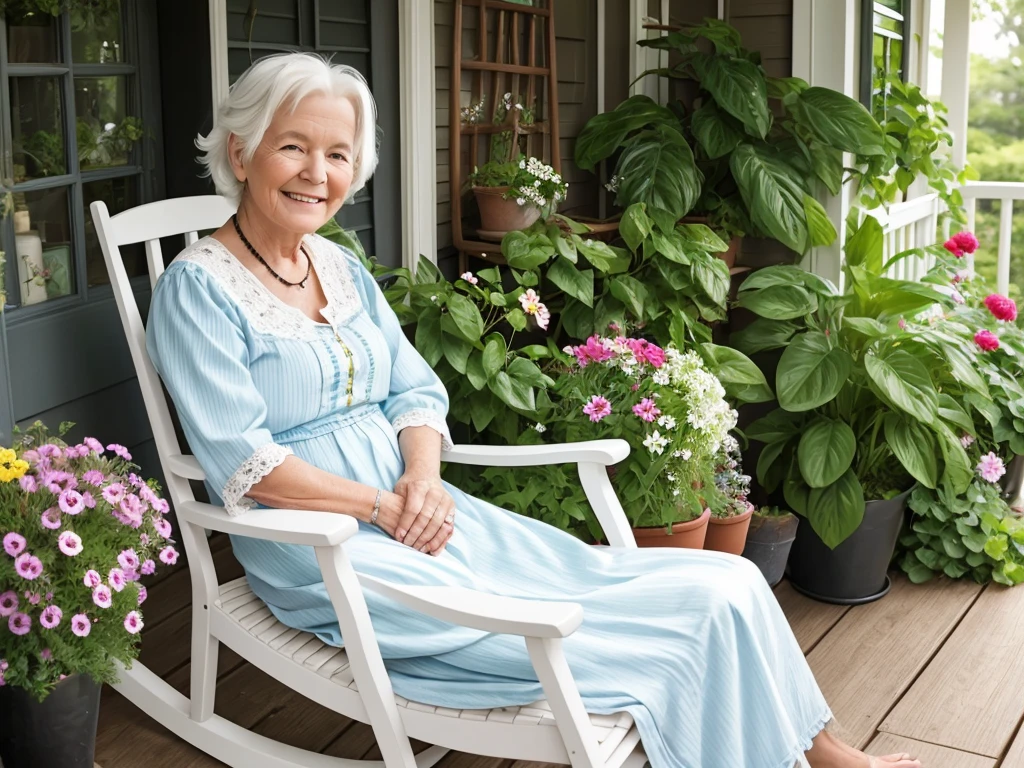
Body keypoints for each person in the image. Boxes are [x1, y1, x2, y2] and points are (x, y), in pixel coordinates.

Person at [146, 52, 921, 768]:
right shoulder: (198, 290)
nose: (318, 172)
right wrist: (385, 506)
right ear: (242, 153)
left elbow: (413, 390)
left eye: (338, 154)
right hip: (322, 545)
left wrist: (422, 478)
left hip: (419, 515)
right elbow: (247, 462)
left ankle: (828, 756)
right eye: (293, 147)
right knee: (649, 642)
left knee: (731, 586)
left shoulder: (338, 265)